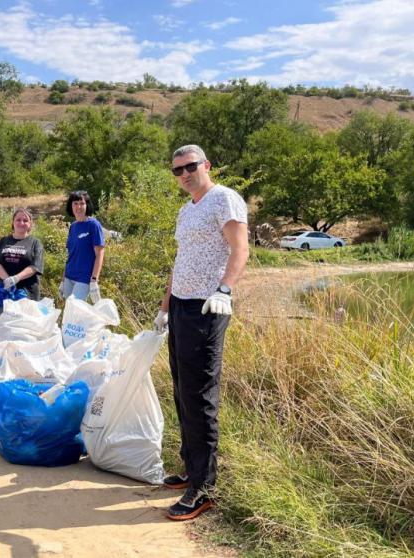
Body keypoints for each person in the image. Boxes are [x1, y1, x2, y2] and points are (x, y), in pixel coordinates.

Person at [154, 145, 249, 521]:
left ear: (206, 165)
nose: (184, 175)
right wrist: (164, 309)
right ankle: (191, 469)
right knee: (181, 389)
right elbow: (181, 262)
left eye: (190, 167)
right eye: (177, 170)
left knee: (200, 395)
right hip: (180, 305)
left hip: (208, 306)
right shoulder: (185, 210)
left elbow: (241, 248)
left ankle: (204, 489)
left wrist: (225, 289)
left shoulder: (224, 199)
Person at [0, 208, 45, 322]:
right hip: (4, 291)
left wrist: (16, 278)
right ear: (13, 222)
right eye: (18, 220)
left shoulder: (35, 243)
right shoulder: (3, 241)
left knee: (22, 328)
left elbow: (35, 266)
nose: (21, 223)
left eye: (25, 220)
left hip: (27, 293)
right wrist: (7, 279)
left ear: (30, 224)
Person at [58, 190, 105, 303]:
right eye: (75, 203)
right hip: (69, 276)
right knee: (67, 310)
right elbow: (70, 255)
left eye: (82, 203)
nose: (79, 207)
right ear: (71, 205)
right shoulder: (73, 227)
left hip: (84, 278)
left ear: (87, 205)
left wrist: (94, 280)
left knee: (75, 309)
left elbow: (99, 254)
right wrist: (63, 280)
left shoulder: (93, 225)